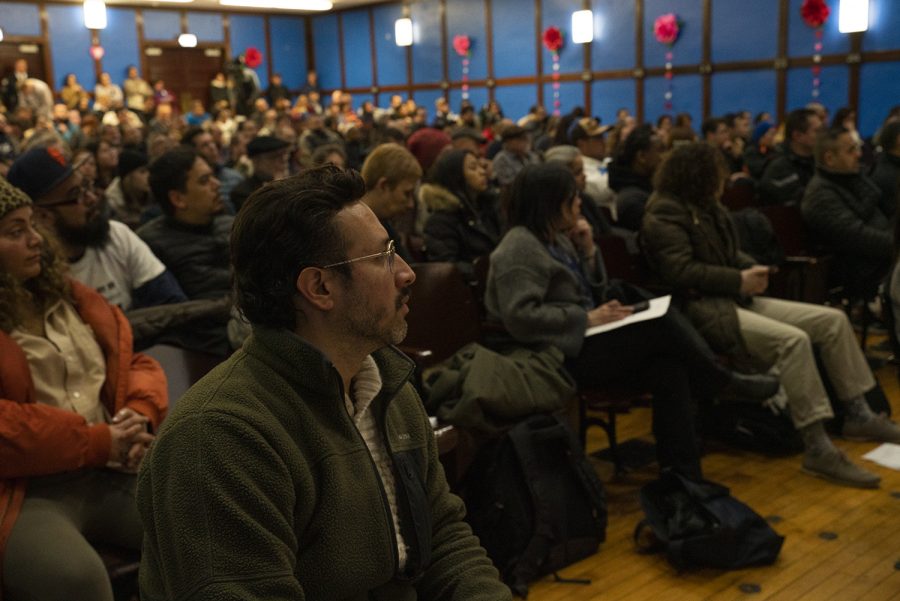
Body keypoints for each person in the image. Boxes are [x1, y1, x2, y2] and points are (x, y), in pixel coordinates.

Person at [136, 164, 511, 600]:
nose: (407, 273)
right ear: (319, 287)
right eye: (383, 255)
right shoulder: (219, 436)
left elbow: (444, 538)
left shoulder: (386, 386)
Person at [485, 164, 779, 480]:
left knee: (669, 369)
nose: (579, 203)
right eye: (572, 198)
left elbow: (589, 292)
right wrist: (584, 319)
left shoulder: (557, 239)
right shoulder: (518, 246)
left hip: (582, 342)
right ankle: (720, 380)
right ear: (549, 203)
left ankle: (683, 478)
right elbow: (520, 319)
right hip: (553, 357)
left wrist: (588, 252)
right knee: (660, 322)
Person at [641, 142, 900, 488]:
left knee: (832, 321)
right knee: (793, 342)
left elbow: (731, 253)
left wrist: (752, 268)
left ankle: (858, 414)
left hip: (732, 297)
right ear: (700, 176)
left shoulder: (707, 206)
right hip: (700, 309)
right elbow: (679, 271)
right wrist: (739, 279)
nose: (723, 181)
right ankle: (817, 446)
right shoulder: (663, 213)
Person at [0, 176, 167, 601]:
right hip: (23, 490)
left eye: (33, 226)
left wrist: (138, 411)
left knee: (202, 528)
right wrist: (95, 441)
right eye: (15, 233)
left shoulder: (69, 298)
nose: (36, 240)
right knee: (78, 582)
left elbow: (132, 364)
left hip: (104, 468)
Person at [138, 147, 233, 355]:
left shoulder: (232, 224)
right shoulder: (151, 244)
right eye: (204, 181)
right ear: (178, 199)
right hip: (205, 349)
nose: (216, 185)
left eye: (213, 177)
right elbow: (174, 316)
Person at [802, 127, 891, 301]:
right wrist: (896, 246)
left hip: (879, 258)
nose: (858, 154)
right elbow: (858, 237)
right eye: (851, 150)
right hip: (858, 268)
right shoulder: (820, 195)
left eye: (856, 148)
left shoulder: (852, 178)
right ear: (830, 159)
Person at [421, 148, 502, 279]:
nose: (482, 172)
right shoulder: (440, 221)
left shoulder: (487, 205)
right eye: (473, 168)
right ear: (456, 176)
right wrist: (485, 269)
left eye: (481, 166)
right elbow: (447, 267)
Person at [360, 143, 423, 263]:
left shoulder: (385, 225)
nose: (411, 204)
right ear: (384, 186)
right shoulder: (350, 234)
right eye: (406, 193)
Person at [759, 108, 822, 206]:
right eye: (817, 131)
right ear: (797, 136)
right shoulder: (778, 167)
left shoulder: (820, 160)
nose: (823, 135)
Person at [608, 124, 664, 231]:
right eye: (660, 150)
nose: (665, 156)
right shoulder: (632, 201)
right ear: (641, 156)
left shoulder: (650, 186)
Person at [182, 126, 245, 212]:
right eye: (205, 145)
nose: (212, 147)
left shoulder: (235, 177)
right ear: (192, 151)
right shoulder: (189, 182)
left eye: (212, 142)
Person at [229, 135, 291, 212]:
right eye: (274, 156)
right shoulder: (242, 193)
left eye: (284, 154)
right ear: (256, 161)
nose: (283, 160)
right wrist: (277, 188)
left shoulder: (294, 181)